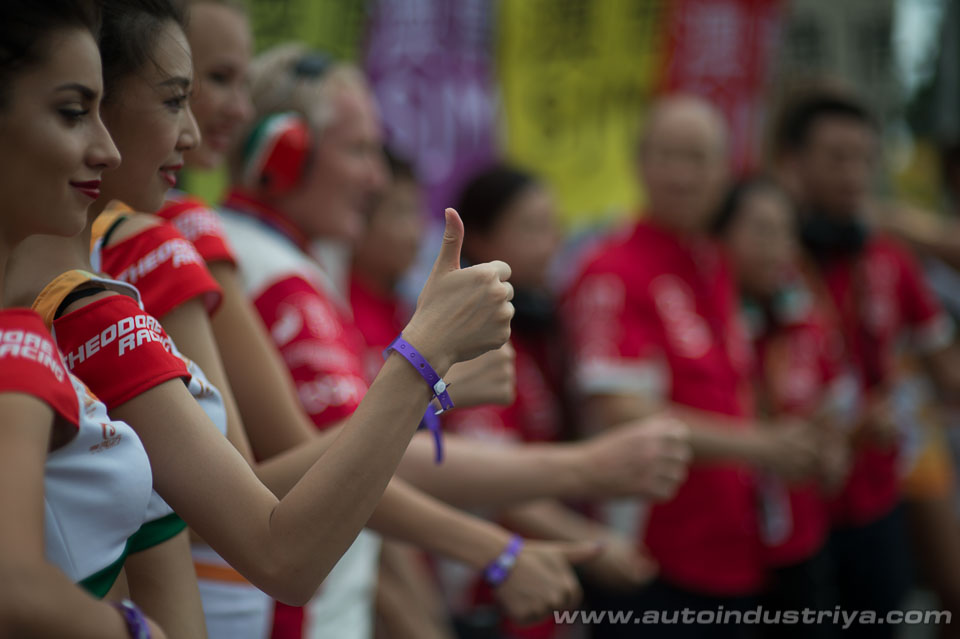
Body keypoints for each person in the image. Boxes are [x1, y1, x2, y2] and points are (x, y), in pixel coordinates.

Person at [4, 6, 564, 639]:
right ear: (286, 150)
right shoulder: (166, 259)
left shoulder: (136, 272)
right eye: (185, 94)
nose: (376, 177)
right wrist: (429, 370)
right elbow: (276, 520)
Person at [216, 41, 690, 639]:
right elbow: (351, 468)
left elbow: (345, 464)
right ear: (282, 154)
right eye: (360, 149)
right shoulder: (274, 274)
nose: (376, 176)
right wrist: (576, 475)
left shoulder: (281, 266)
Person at [565, 95, 822, 639]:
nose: (683, 175)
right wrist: (764, 445)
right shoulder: (611, 268)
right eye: (668, 156)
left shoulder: (715, 262)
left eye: (699, 159)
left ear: (726, 172)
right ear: (639, 162)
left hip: (737, 557)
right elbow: (621, 412)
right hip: (653, 565)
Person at [0, 2, 168, 637]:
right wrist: (421, 364)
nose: (107, 149)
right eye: (73, 113)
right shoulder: (21, 337)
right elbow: (14, 586)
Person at [772, 88, 960, 638]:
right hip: (794, 501)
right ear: (792, 162)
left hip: (880, 487)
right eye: (836, 158)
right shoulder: (764, 260)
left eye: (863, 159)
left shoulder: (888, 256)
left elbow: (943, 365)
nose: (854, 175)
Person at [712, 176, 854, 638]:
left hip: (800, 540)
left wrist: (833, 448)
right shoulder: (702, 317)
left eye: (785, 232)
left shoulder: (804, 314)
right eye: (760, 230)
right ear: (721, 235)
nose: (778, 248)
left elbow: (833, 404)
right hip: (723, 550)